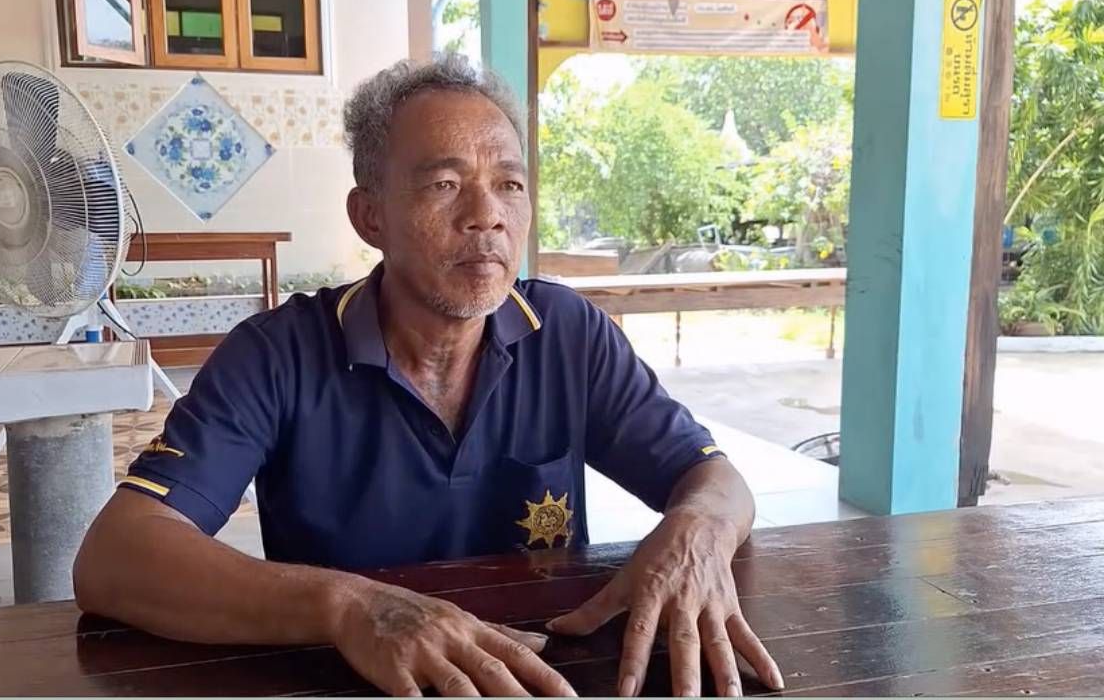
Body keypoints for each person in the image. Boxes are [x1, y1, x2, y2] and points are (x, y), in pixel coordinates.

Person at [73, 54, 784, 698]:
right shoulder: (278, 354)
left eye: (509, 184)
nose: (487, 216)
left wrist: (697, 530)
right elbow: (115, 557)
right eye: (445, 184)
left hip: (546, 677)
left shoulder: (568, 334)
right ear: (370, 216)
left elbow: (715, 480)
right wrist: (350, 606)